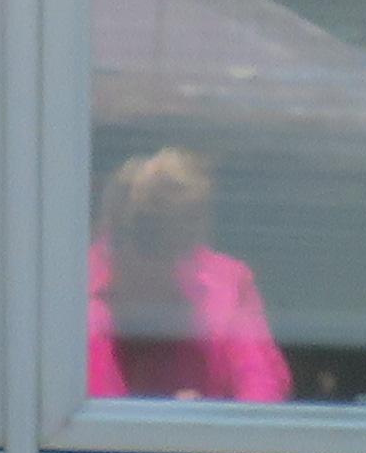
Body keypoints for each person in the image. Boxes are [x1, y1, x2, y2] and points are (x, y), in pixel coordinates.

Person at [88, 148, 288, 404]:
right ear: (115, 236)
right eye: (154, 244)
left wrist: (207, 420)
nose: (174, 266)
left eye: (186, 245)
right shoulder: (70, 292)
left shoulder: (228, 285)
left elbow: (263, 387)